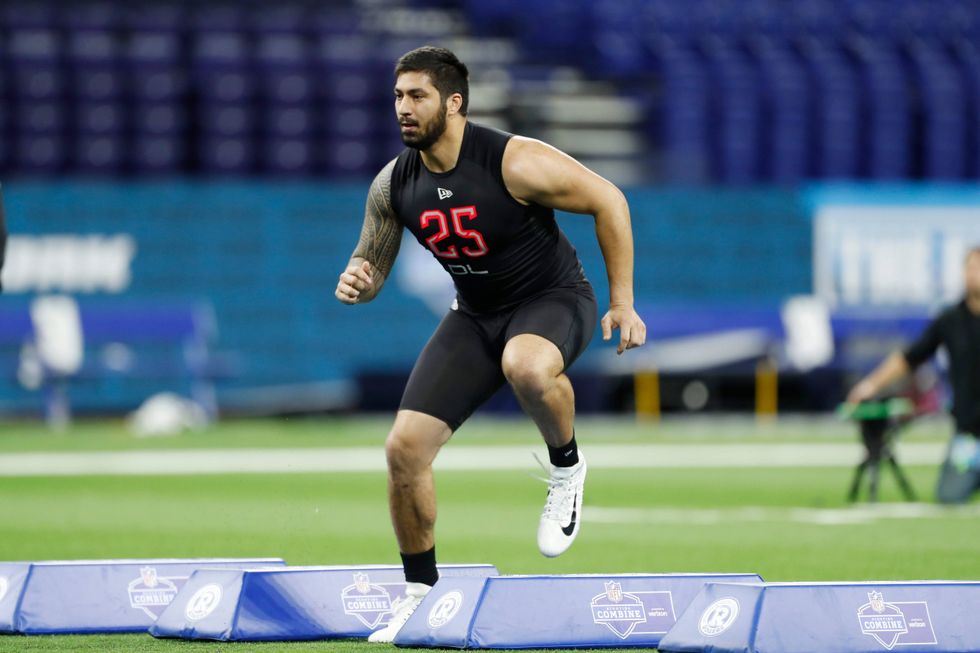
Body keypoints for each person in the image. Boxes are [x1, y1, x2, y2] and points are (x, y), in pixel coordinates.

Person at [334, 46, 646, 642]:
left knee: (526, 365)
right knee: (403, 450)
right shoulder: (393, 182)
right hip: (475, 315)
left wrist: (623, 301)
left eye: (417, 95)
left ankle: (567, 467)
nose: (403, 108)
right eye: (398, 96)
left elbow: (610, 199)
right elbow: (370, 259)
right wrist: (360, 279)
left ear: (454, 102)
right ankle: (419, 593)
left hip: (553, 298)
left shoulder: (515, 160)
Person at [847, 246, 980, 504]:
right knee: (949, 497)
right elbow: (910, 358)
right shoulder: (950, 319)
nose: (974, 275)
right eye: (970, 268)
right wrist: (869, 386)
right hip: (969, 438)